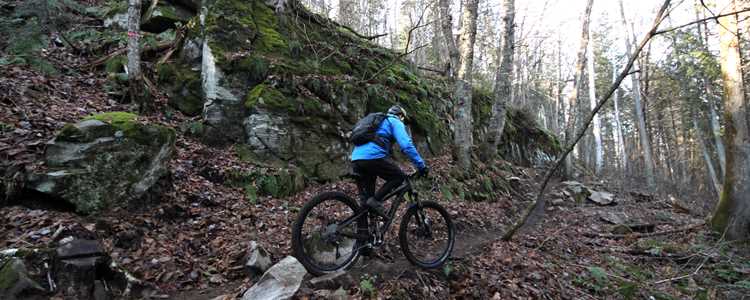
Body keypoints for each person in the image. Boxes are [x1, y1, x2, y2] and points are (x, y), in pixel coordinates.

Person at [350, 105, 429, 219]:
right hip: (372, 158)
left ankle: (364, 233)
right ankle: (375, 201)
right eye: (404, 120)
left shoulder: (378, 124)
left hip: (356, 159)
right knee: (398, 177)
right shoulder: (394, 121)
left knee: (366, 203)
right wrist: (421, 166)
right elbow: (406, 145)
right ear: (400, 116)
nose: (404, 123)